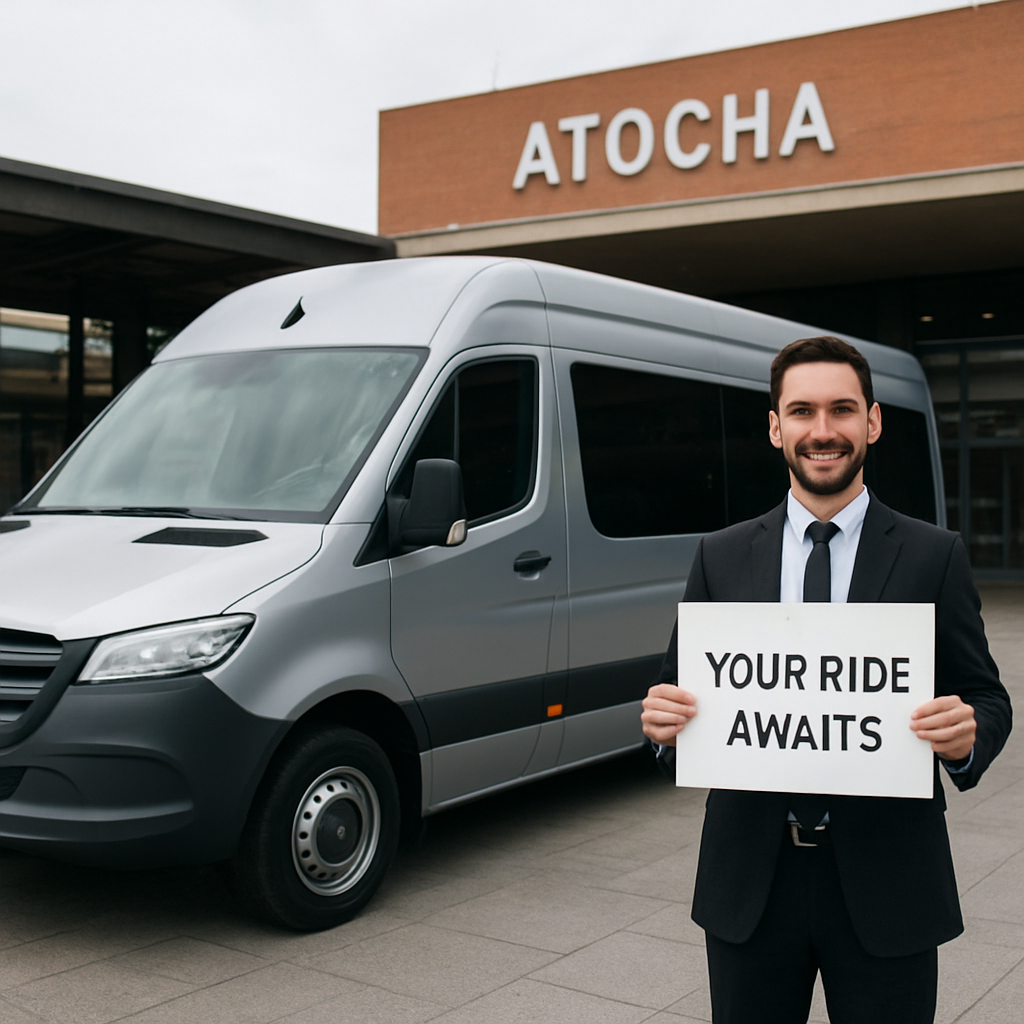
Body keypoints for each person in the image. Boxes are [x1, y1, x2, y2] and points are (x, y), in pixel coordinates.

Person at [641, 336, 1011, 1024]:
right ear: (775, 427)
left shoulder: (934, 555)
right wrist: (664, 729)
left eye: (841, 410)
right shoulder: (721, 556)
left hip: (889, 881)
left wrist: (967, 737)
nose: (822, 430)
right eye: (802, 411)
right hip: (751, 883)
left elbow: (987, 697)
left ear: (872, 422)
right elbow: (677, 692)